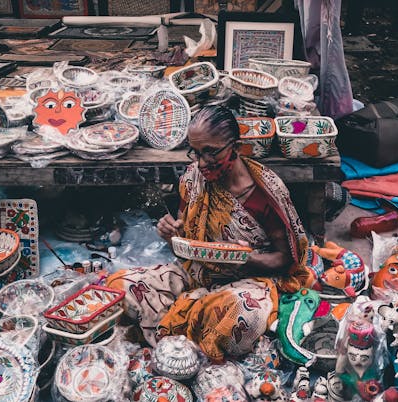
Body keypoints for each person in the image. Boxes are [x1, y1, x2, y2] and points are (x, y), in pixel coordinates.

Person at [107, 106, 318, 362]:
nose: (202, 162)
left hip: (249, 281)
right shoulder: (193, 179)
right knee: (120, 287)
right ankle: (187, 332)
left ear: (237, 147)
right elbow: (187, 240)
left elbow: (286, 259)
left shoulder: (265, 193)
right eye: (196, 153)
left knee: (242, 317)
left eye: (211, 152)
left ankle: (181, 334)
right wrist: (171, 234)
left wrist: (246, 258)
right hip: (197, 273)